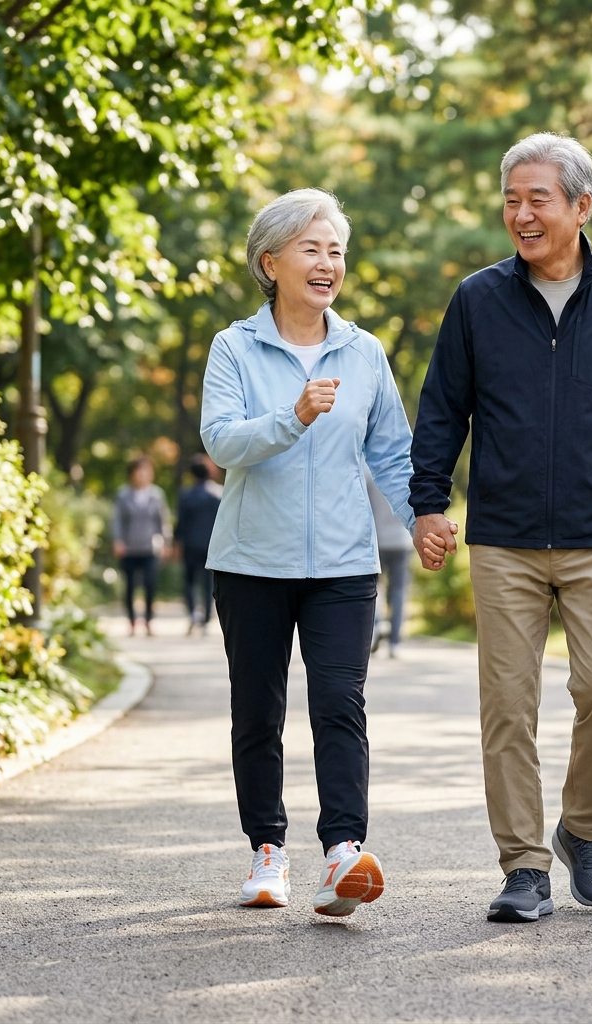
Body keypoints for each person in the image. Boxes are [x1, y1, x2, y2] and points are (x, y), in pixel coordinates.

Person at [410, 133, 592, 923]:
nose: (521, 214)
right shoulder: (477, 299)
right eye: (511, 199)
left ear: (580, 205)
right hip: (502, 537)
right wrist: (428, 504)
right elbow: (442, 410)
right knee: (508, 706)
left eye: (538, 198)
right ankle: (524, 866)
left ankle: (585, 831)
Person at [200, 188, 424, 917]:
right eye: (312, 249)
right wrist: (291, 417)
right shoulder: (235, 348)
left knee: (340, 704)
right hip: (249, 564)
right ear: (271, 262)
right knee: (258, 714)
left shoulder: (363, 353)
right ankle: (268, 854)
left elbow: (392, 452)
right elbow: (222, 441)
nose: (328, 264)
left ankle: (341, 856)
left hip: (344, 566)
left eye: (337, 252)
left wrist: (426, 516)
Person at [112, 455, 173, 637]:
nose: (143, 475)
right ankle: (131, 621)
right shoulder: (123, 495)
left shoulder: (156, 495)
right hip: (129, 548)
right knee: (130, 586)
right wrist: (118, 541)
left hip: (150, 548)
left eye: (146, 471)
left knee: (150, 585)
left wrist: (166, 542)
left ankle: (148, 621)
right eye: (139, 472)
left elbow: (163, 521)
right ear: (132, 474)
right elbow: (117, 520)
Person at [365, 468, 414, 657]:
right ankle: (395, 642)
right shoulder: (407, 473)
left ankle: (377, 626)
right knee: (399, 591)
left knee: (373, 589)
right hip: (401, 541)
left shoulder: (369, 474)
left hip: (377, 540)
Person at [175, 454, 223, 635]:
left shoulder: (186, 495)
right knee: (208, 583)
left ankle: (192, 614)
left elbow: (180, 523)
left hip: (190, 544)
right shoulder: (218, 493)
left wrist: (176, 543)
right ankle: (206, 620)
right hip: (212, 544)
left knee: (189, 581)